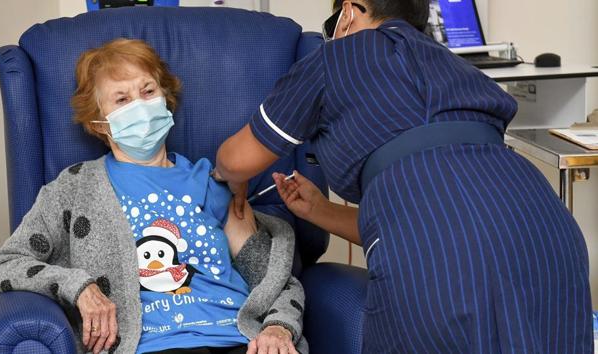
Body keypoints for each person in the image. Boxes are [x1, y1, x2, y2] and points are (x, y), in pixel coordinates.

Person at [214, 0, 593, 353]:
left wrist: (228, 178)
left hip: (437, 256)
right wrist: (319, 210)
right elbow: (449, 212)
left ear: (348, 13)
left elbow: (237, 159)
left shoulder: (334, 58)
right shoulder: (457, 66)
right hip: (547, 232)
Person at [0, 38, 308, 354]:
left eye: (148, 91)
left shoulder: (213, 183)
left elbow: (273, 279)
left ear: (165, 97)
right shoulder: (74, 188)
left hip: (238, 338)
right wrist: (79, 287)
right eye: (122, 99)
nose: (140, 106)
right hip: (153, 345)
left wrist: (278, 328)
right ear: (99, 122)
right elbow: (5, 264)